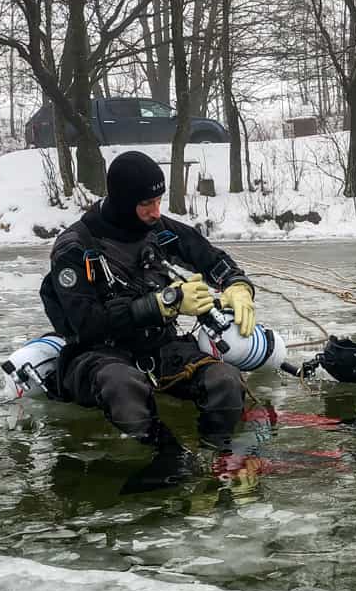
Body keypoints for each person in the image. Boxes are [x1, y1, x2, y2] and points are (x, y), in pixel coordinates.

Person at [41, 151, 257, 482]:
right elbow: (86, 325)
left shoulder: (159, 229)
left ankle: (218, 456)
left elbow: (211, 258)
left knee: (225, 380)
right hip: (98, 354)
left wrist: (238, 286)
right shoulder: (75, 247)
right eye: (146, 204)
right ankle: (170, 459)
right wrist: (161, 305)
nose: (156, 212)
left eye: (158, 200)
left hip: (160, 347)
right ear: (122, 201)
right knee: (123, 387)